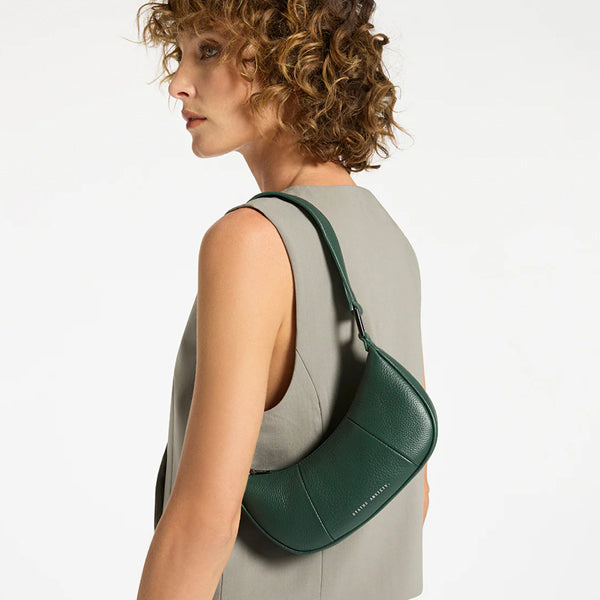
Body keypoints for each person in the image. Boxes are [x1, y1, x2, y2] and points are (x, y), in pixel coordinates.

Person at [134, 1, 430, 599]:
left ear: (288, 58)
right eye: (180, 53)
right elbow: (411, 492)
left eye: (208, 51)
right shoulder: (388, 238)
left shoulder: (251, 241)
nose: (177, 83)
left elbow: (203, 523)